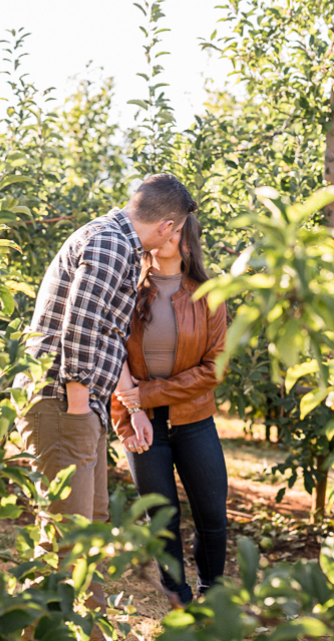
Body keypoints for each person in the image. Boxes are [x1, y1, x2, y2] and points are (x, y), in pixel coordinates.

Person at [13, 173, 197, 635]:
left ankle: (67, 626)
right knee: (71, 534)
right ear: (169, 226)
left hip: (81, 405)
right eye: (179, 232)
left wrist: (131, 406)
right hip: (61, 403)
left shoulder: (118, 244)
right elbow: (78, 327)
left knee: (85, 527)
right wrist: (79, 408)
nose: (178, 240)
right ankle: (81, 631)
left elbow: (108, 334)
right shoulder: (111, 244)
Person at [111, 212, 228, 605]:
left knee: (212, 516)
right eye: (162, 225)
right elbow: (111, 349)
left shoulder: (209, 295)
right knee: (162, 520)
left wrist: (148, 395)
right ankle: (178, 596)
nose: (165, 233)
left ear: (187, 241)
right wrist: (132, 408)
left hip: (194, 419)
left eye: (175, 228)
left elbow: (214, 369)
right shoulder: (127, 288)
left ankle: (212, 591)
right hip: (142, 422)